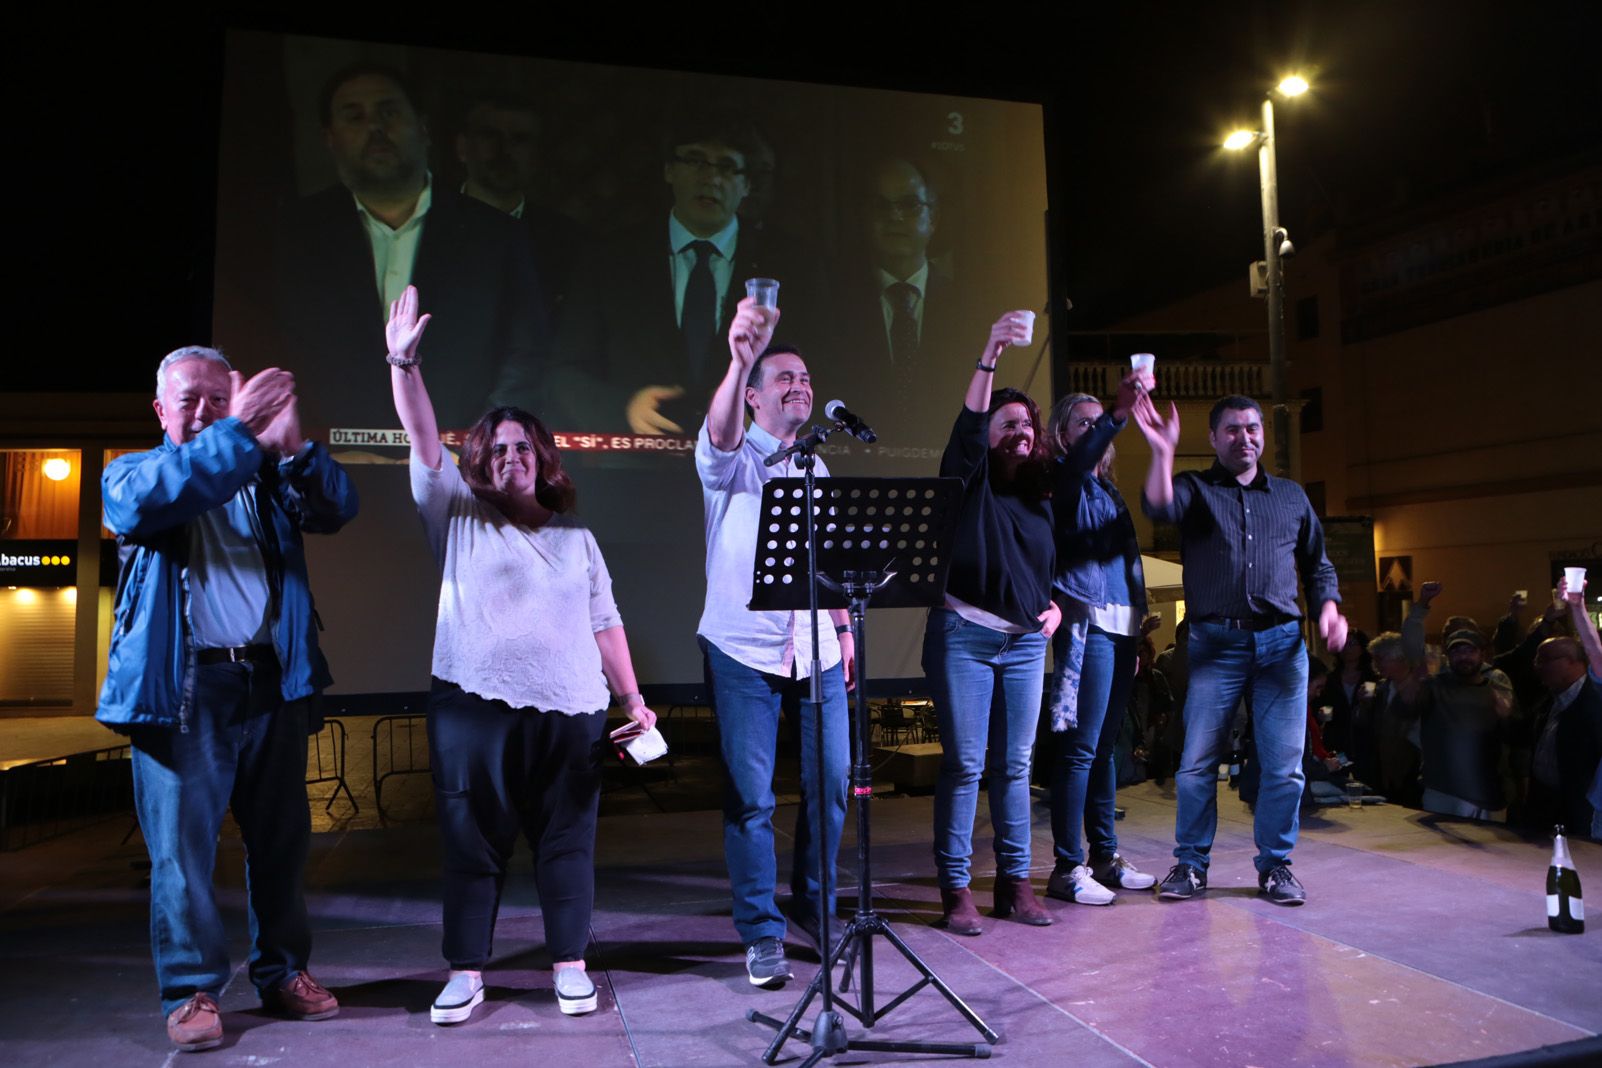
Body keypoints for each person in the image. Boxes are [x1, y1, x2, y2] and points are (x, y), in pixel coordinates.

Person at [383, 285, 656, 1023]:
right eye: (494, 449)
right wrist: (403, 366)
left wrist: (632, 700)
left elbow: (606, 622)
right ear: (479, 462)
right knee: (473, 844)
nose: (509, 458)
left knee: (566, 846)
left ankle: (571, 965)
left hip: (573, 711)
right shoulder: (455, 514)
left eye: (521, 447)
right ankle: (466, 972)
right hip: (474, 705)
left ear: (543, 458)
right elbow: (419, 436)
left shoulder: (579, 539)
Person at [98, 347, 358, 1052]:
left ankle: (283, 974)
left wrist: (293, 445)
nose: (208, 411)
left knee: (281, 846)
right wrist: (241, 431)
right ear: (161, 411)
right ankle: (192, 994)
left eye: (220, 397)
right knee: (182, 854)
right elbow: (162, 494)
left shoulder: (264, 476)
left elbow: (338, 507)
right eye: (191, 401)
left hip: (269, 681)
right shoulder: (134, 473)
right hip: (185, 691)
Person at [1132, 392, 1347, 906]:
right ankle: (1190, 864)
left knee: (1284, 766)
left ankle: (1275, 866)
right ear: (1212, 437)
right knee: (1196, 762)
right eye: (1231, 429)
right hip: (1216, 644)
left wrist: (1330, 607)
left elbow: (1318, 565)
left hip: (1281, 645)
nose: (1244, 437)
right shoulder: (1194, 488)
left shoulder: (1291, 497)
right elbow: (1157, 505)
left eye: (1252, 428)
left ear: (1262, 435)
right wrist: (1163, 452)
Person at [695, 296, 855, 987]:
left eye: (807, 378)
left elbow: (834, 564)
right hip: (742, 651)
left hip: (816, 647)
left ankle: (814, 907)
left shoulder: (816, 469)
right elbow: (720, 434)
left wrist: (844, 632)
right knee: (752, 798)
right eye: (783, 377)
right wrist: (738, 359)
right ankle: (760, 932)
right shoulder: (731, 462)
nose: (801, 386)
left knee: (833, 783)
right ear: (755, 398)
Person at [276, 63, 545, 433]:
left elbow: (525, 356)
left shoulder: (497, 235)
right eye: (355, 117)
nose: (375, 128)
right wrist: (316, 447)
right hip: (326, 462)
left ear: (423, 128)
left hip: (461, 465)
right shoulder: (292, 234)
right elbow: (273, 349)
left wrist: (476, 446)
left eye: (389, 112)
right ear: (330, 138)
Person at [551, 114, 820, 435]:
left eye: (726, 166)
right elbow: (564, 371)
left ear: (747, 184)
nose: (710, 178)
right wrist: (622, 408)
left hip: (750, 464)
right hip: (634, 463)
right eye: (695, 161)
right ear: (669, 170)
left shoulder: (793, 264)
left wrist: (762, 413)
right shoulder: (608, 258)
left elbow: (826, 363)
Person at [925, 311, 1062, 934]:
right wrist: (991, 352)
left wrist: (1058, 604)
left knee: (1016, 767)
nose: (1020, 432)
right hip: (966, 637)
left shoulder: (1038, 498)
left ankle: (1016, 883)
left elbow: (1043, 569)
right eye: (1007, 424)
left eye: (1026, 424)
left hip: (1026, 644)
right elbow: (970, 428)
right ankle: (956, 890)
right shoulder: (970, 480)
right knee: (966, 764)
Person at [1041, 374, 1159, 908]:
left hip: (1120, 629)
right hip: (1084, 626)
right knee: (1079, 749)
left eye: (1098, 423)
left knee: (1105, 747)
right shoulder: (1062, 481)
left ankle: (1106, 858)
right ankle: (1069, 866)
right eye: (1083, 423)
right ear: (1064, 435)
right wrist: (1116, 414)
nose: (1094, 431)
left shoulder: (1108, 490)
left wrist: (1137, 632)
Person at [454, 92, 583, 318]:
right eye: (490, 136)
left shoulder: (569, 242)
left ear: (536, 155)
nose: (505, 149)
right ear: (463, 147)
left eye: (520, 139)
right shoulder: (424, 226)